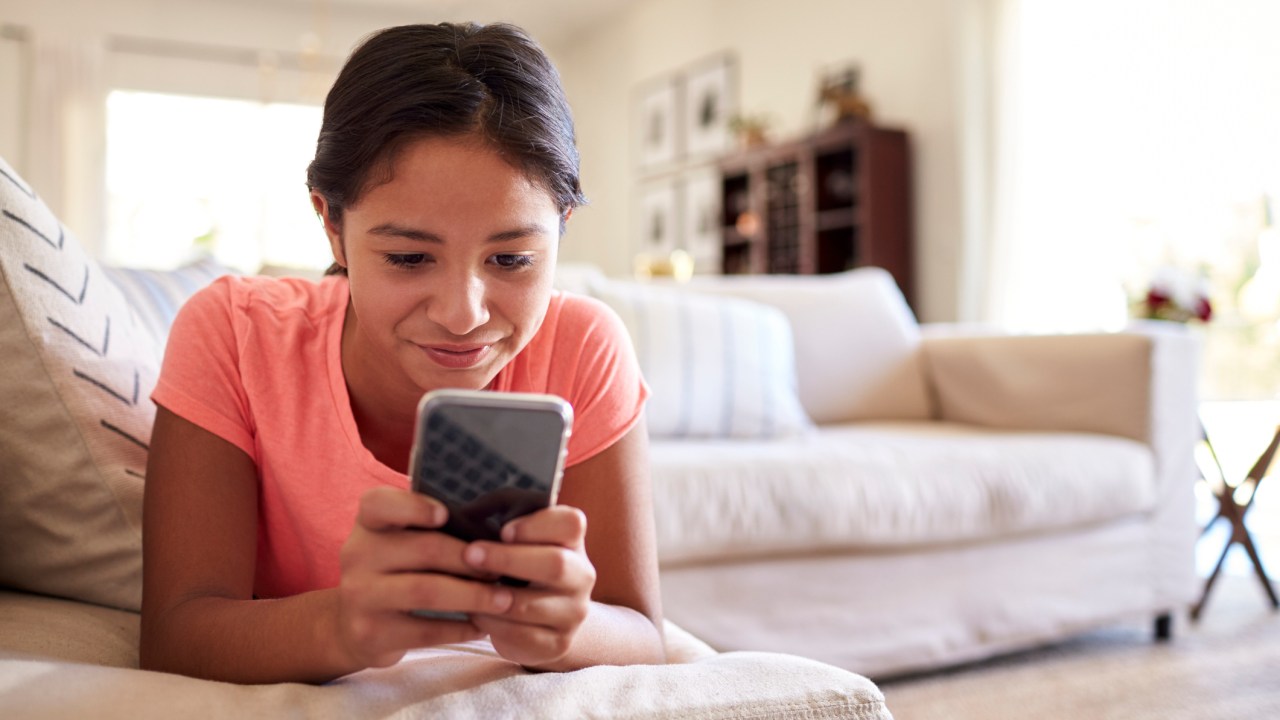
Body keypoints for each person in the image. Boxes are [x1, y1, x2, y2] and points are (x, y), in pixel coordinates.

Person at [139, 22, 665, 684]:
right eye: (409, 257)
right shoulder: (234, 335)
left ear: (561, 227)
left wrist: (567, 626)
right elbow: (175, 636)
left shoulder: (586, 345)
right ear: (332, 224)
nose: (463, 313)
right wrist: (343, 625)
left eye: (511, 258)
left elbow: (644, 633)